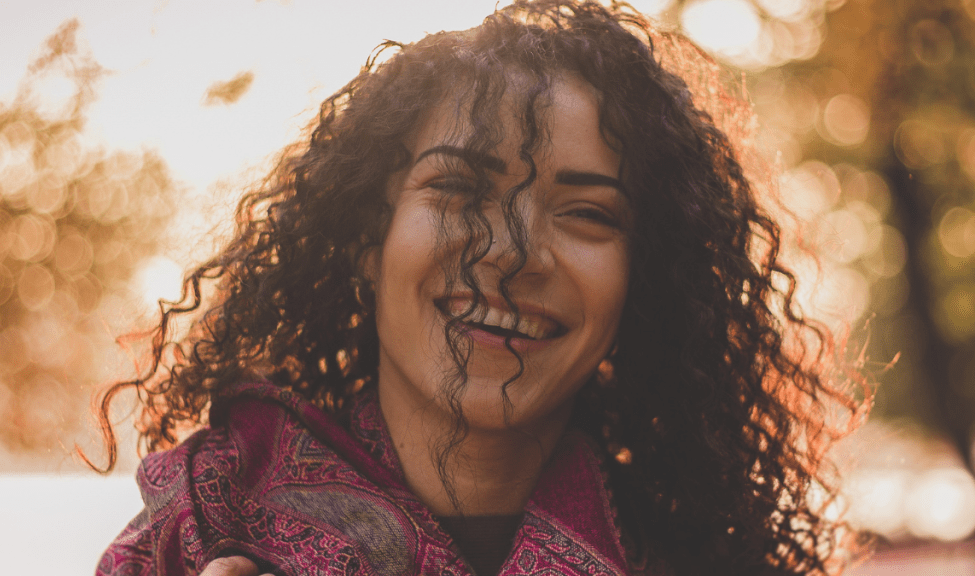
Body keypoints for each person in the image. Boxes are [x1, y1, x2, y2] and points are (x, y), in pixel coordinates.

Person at [94, 1, 871, 575]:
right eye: (460, 188)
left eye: (588, 212)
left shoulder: (705, 560)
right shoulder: (193, 538)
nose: (511, 253)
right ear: (371, 239)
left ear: (648, 279)